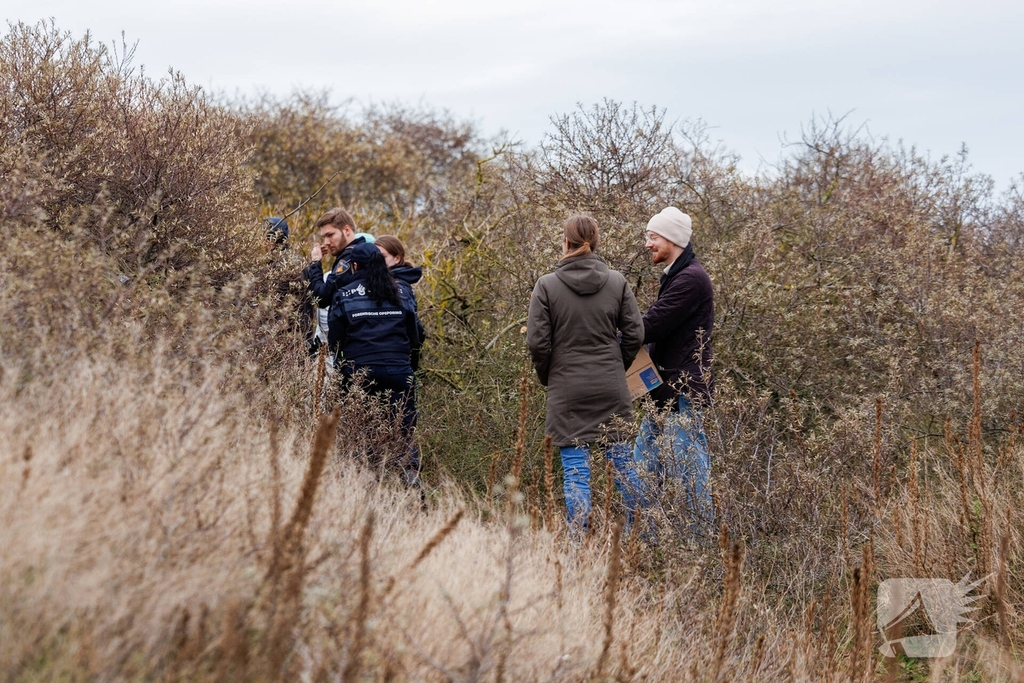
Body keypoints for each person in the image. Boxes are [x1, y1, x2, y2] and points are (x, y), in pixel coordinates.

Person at [527, 215, 645, 534]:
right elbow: (635, 334)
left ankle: (579, 544)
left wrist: (548, 376)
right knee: (623, 467)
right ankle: (645, 541)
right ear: (595, 242)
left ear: (565, 242)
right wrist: (615, 367)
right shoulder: (617, 281)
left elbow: (537, 343)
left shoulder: (547, 285)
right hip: (611, 387)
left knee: (576, 471)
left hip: (566, 390)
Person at [633, 206, 715, 533]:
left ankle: (701, 547)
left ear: (672, 239)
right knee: (642, 469)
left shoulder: (690, 279)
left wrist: (604, 332)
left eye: (653, 237)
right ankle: (643, 543)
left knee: (690, 472)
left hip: (683, 393)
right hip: (664, 392)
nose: (648, 244)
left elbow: (651, 326)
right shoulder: (677, 275)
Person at [329, 242, 423, 488]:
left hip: (359, 372)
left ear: (355, 266)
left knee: (362, 429)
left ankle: (369, 483)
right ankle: (410, 471)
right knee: (404, 427)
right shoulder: (402, 291)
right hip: (399, 369)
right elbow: (415, 334)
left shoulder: (344, 294)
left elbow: (335, 340)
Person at [302, 208, 372, 358]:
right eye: (324, 237)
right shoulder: (364, 252)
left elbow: (321, 297)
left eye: (330, 235)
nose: (326, 242)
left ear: (347, 230)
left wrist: (315, 263)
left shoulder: (349, 260)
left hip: (355, 346)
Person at [376, 235, 427, 369]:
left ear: (397, 258)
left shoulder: (398, 285)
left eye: (383, 257)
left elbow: (413, 326)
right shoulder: (397, 281)